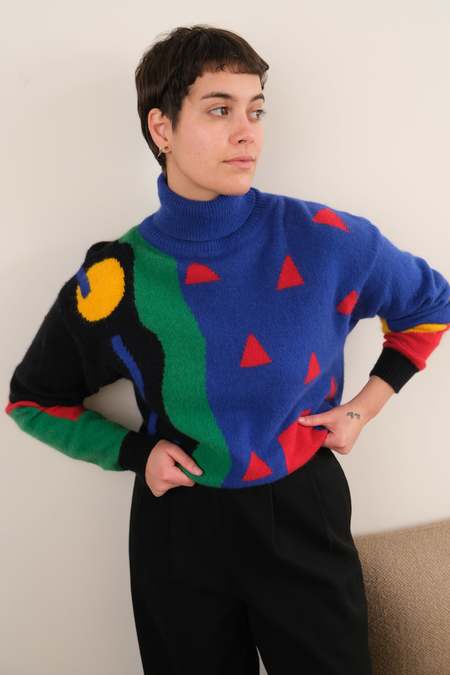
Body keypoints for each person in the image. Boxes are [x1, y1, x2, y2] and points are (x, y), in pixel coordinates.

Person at [5, 24, 450, 675]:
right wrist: (134, 453)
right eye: (220, 110)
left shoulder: (325, 238)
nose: (248, 133)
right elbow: (32, 400)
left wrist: (364, 407)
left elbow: (431, 304)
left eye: (255, 111)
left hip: (302, 507)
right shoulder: (117, 274)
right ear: (161, 128)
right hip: (177, 526)